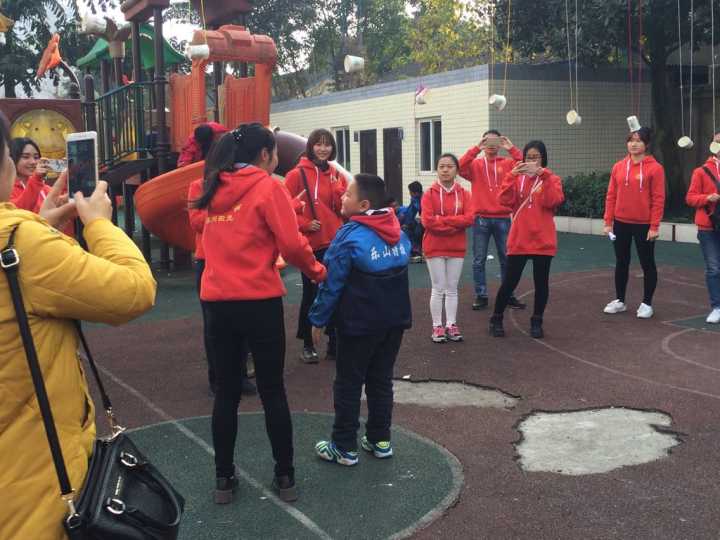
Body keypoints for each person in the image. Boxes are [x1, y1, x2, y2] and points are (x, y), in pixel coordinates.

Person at [0, 111, 157, 540]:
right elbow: (135, 290)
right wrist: (99, 222)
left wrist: (40, 223)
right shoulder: (23, 244)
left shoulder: (23, 240)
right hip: (33, 495)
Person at [192, 123, 326, 504]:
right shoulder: (268, 187)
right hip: (258, 301)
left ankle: (223, 478)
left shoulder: (211, 186)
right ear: (265, 154)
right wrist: (319, 272)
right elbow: (293, 244)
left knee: (226, 393)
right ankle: (285, 476)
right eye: (275, 153)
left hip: (218, 303)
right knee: (272, 390)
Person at [309, 174, 411, 466]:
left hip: (359, 324)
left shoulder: (349, 236)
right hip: (394, 322)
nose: (342, 197)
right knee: (381, 380)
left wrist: (318, 319)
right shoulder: (398, 231)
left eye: (347, 194)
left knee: (349, 383)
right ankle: (380, 440)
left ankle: (344, 447)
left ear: (363, 204)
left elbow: (332, 282)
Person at [489, 141, 565, 339]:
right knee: (510, 282)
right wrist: (510, 176)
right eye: (529, 157)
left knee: (541, 283)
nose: (532, 161)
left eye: (536, 157)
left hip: (543, 239)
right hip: (520, 238)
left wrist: (544, 175)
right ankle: (496, 318)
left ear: (543, 159)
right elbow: (504, 200)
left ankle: (537, 321)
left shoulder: (552, 179)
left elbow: (553, 201)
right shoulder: (517, 178)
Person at [188, 179, 256, 396]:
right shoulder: (198, 186)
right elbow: (196, 222)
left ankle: (240, 376)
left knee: (242, 318)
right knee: (214, 323)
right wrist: (226, 214)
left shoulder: (239, 184)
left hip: (235, 257)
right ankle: (217, 378)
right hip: (208, 259)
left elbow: (247, 220)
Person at [284, 129, 347, 363]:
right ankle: (308, 344)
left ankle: (334, 341)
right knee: (311, 294)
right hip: (311, 244)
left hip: (335, 241)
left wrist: (338, 189)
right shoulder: (296, 175)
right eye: (318, 144)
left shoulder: (336, 174)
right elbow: (283, 209)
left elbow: (343, 208)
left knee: (337, 291)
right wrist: (304, 224)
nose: (323, 149)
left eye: (327, 144)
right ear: (310, 146)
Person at [602, 127, 665, 319]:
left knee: (647, 263)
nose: (634, 144)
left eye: (638, 140)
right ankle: (620, 300)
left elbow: (658, 199)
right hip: (621, 223)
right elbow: (611, 195)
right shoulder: (618, 167)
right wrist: (608, 222)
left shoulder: (655, 168)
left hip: (644, 225)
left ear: (647, 144)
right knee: (622, 262)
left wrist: (654, 226)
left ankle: (647, 303)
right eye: (630, 140)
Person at [459, 130, 526, 311]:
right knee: (479, 259)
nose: (491, 144)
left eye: (495, 141)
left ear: (500, 143)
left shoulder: (508, 163)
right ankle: (481, 295)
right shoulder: (476, 164)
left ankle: (508, 294)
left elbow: (524, 165)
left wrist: (511, 148)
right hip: (480, 218)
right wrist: (476, 148)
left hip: (503, 218)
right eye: (487, 141)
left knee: (507, 259)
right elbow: (460, 167)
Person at [421, 153, 474, 343]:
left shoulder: (465, 194)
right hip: (434, 246)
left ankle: (451, 324)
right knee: (438, 288)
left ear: (457, 170)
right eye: (441, 166)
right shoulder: (429, 194)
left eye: (449, 166)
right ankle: (437, 326)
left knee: (452, 288)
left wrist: (443, 221)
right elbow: (428, 221)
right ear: (437, 169)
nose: (445, 170)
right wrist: (455, 224)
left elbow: (469, 218)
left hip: (456, 247)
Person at [686, 134, 720, 324]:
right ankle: (717, 307)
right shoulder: (700, 171)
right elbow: (690, 198)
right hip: (708, 226)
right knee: (714, 268)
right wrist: (707, 198)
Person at [10, 137, 51, 213]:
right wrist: (36, 179)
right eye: (26, 157)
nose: (33, 162)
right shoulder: (6, 190)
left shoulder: (45, 188)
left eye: (36, 157)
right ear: (12, 158)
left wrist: (66, 177)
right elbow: (18, 212)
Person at [399, 181, 424, 261]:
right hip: (421, 220)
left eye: (410, 192)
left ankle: (419, 250)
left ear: (416, 193)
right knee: (407, 228)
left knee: (418, 231)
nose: (409, 193)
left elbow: (423, 214)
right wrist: (406, 223)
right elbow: (410, 212)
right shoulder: (415, 199)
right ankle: (414, 249)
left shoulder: (424, 199)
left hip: (426, 221)